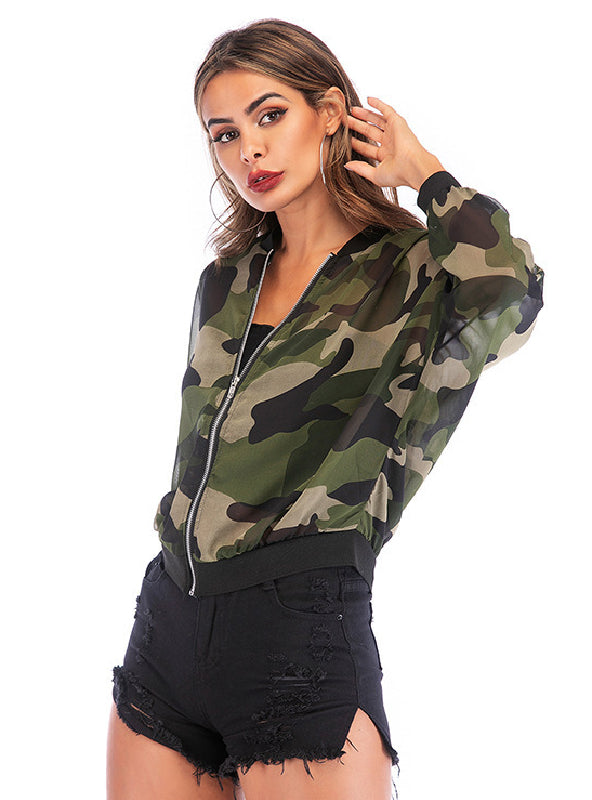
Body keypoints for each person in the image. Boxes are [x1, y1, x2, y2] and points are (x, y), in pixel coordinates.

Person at [107, 18, 544, 800]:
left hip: (298, 631)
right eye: (224, 134)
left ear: (332, 113)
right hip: (168, 625)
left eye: (270, 115)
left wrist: (424, 173)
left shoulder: (414, 273)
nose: (248, 150)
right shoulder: (227, 279)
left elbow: (512, 292)